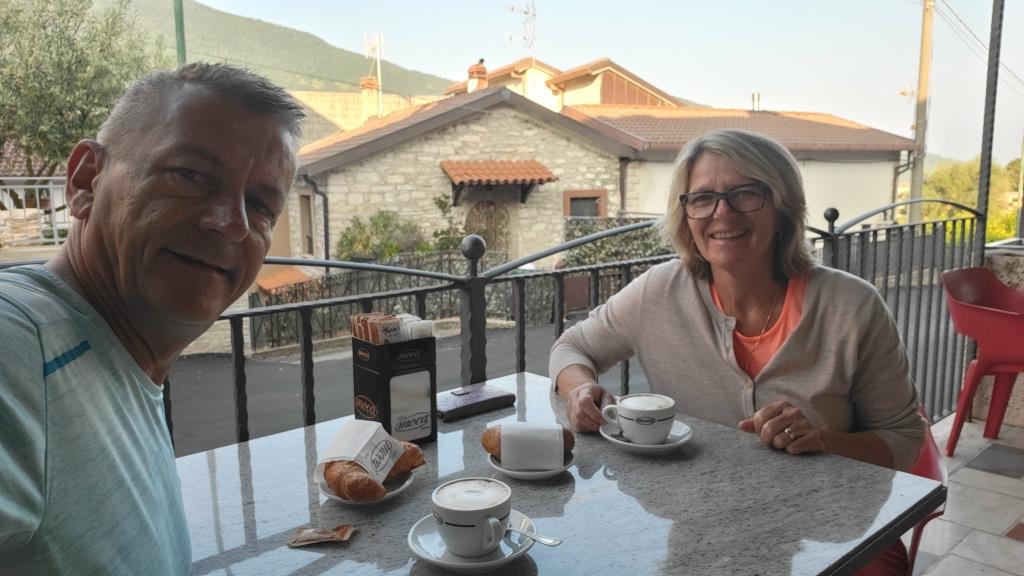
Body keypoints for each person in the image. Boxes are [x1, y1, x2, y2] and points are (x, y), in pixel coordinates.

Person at [550, 129, 925, 575]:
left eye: (746, 193)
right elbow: (572, 347)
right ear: (686, 215)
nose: (722, 212)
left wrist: (824, 441)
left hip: (830, 538)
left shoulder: (852, 306)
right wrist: (580, 389)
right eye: (702, 198)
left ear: (782, 206)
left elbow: (904, 439)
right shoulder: (659, 292)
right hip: (701, 530)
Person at [0, 63, 304, 575]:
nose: (230, 224)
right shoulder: (17, 347)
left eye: (258, 205)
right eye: (190, 175)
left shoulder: (119, 361)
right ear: (85, 181)